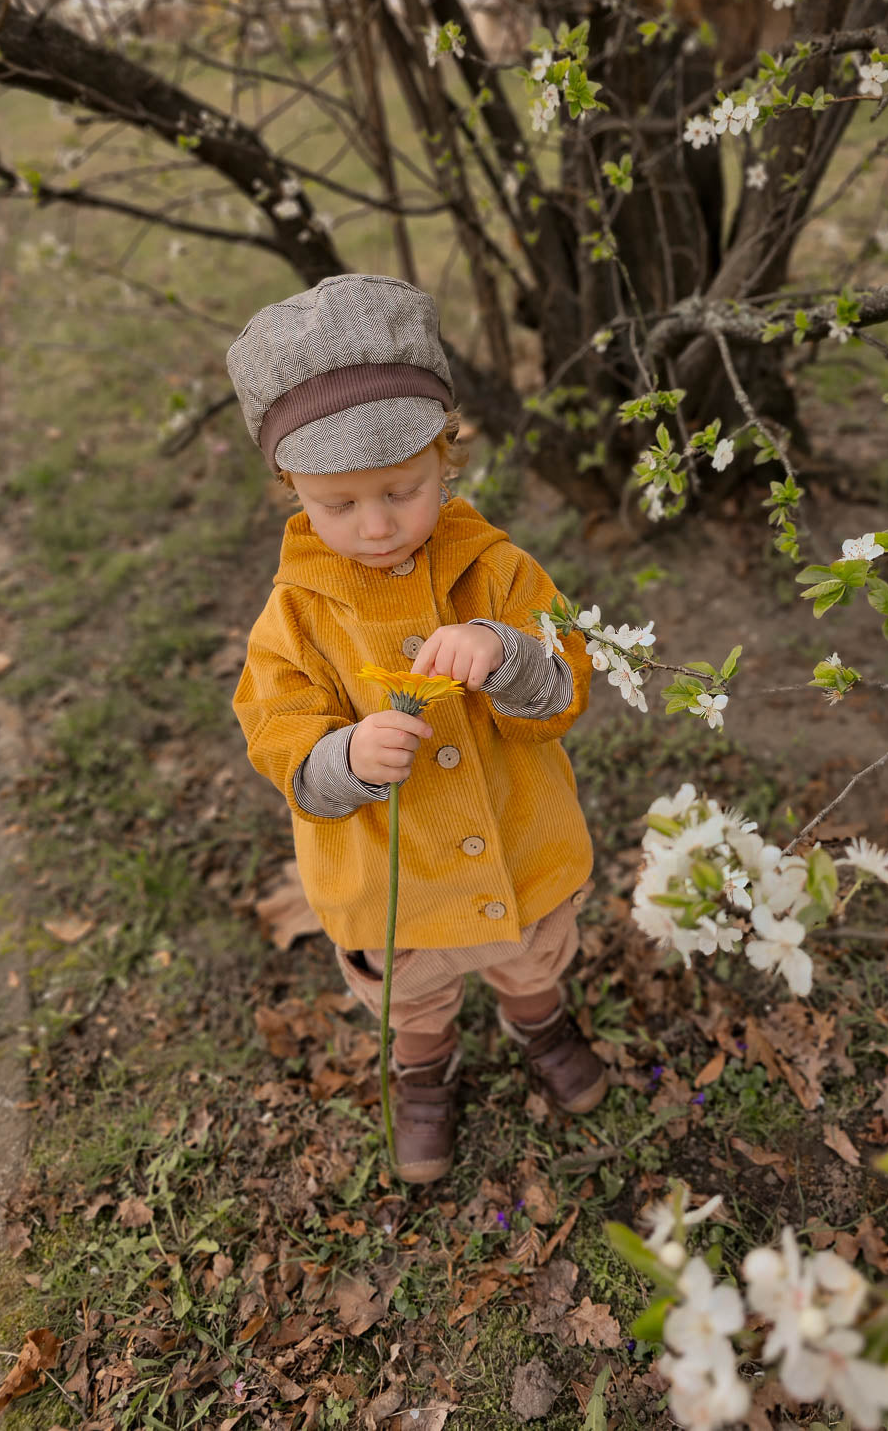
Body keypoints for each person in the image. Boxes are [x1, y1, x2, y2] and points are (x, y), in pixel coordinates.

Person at [226, 273, 607, 1184]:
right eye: (338, 504)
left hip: (517, 846)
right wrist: (342, 757)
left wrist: (507, 653)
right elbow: (275, 730)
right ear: (293, 490)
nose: (373, 525)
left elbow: (565, 689)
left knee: (529, 956)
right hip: (390, 878)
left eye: (400, 490)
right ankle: (423, 1070)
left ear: (448, 457)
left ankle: (539, 1022)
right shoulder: (298, 610)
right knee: (415, 994)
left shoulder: (500, 573)